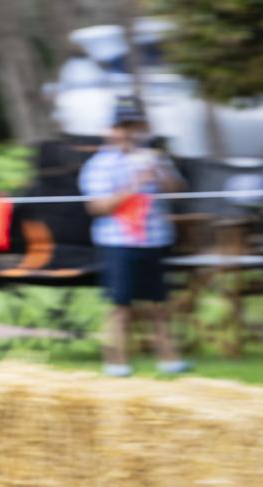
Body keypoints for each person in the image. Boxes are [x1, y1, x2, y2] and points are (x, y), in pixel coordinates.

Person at [79, 96, 189, 377]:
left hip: (155, 238)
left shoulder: (155, 157)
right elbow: (98, 207)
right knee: (120, 306)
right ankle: (116, 361)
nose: (129, 132)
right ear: (111, 130)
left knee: (158, 304)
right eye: (123, 126)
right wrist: (135, 185)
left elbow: (178, 191)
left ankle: (168, 359)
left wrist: (160, 173)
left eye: (134, 125)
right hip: (118, 242)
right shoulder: (100, 163)